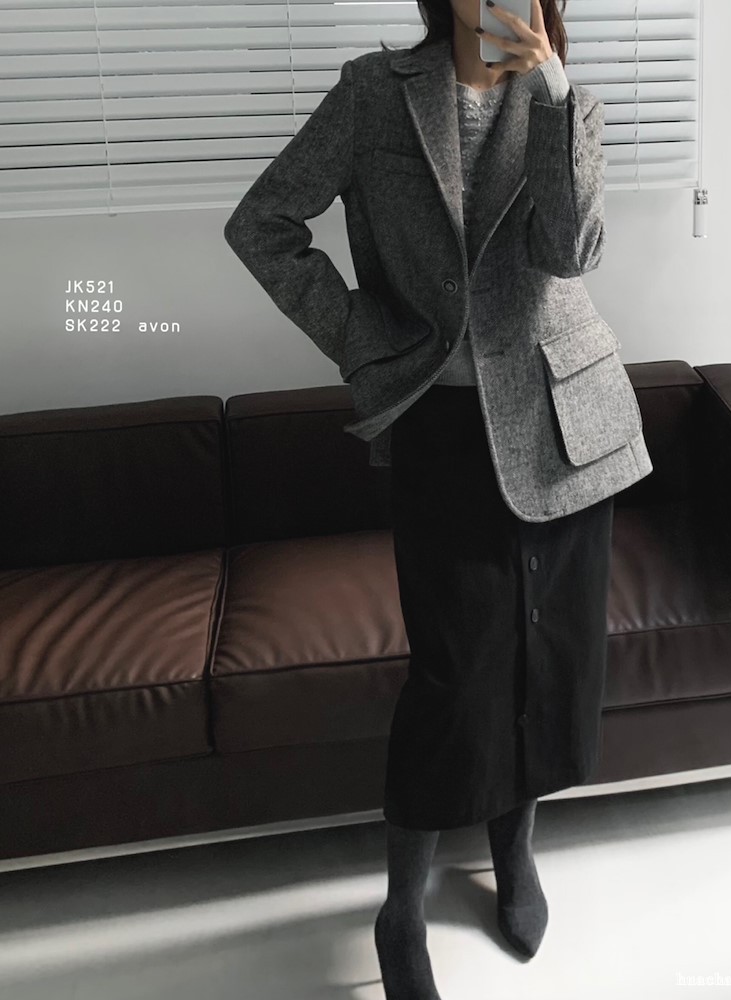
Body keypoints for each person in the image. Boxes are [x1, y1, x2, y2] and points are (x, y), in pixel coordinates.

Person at [224, 1, 652, 996]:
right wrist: (362, 340)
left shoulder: (564, 100)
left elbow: (571, 250)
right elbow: (263, 225)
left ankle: (514, 855)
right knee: (453, 678)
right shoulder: (375, 93)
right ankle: (401, 905)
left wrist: (551, 91)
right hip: (442, 427)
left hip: (562, 424)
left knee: (544, 663)